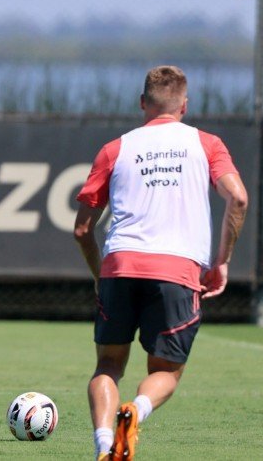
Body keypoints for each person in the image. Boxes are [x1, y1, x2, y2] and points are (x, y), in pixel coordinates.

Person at [73, 65, 248, 460]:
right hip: (177, 270)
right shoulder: (206, 144)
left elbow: (83, 230)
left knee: (108, 365)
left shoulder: (114, 149)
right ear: (184, 105)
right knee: (165, 372)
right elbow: (238, 199)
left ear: (142, 103)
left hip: (119, 265)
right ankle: (135, 411)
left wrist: (101, 276)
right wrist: (221, 260)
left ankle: (104, 445)